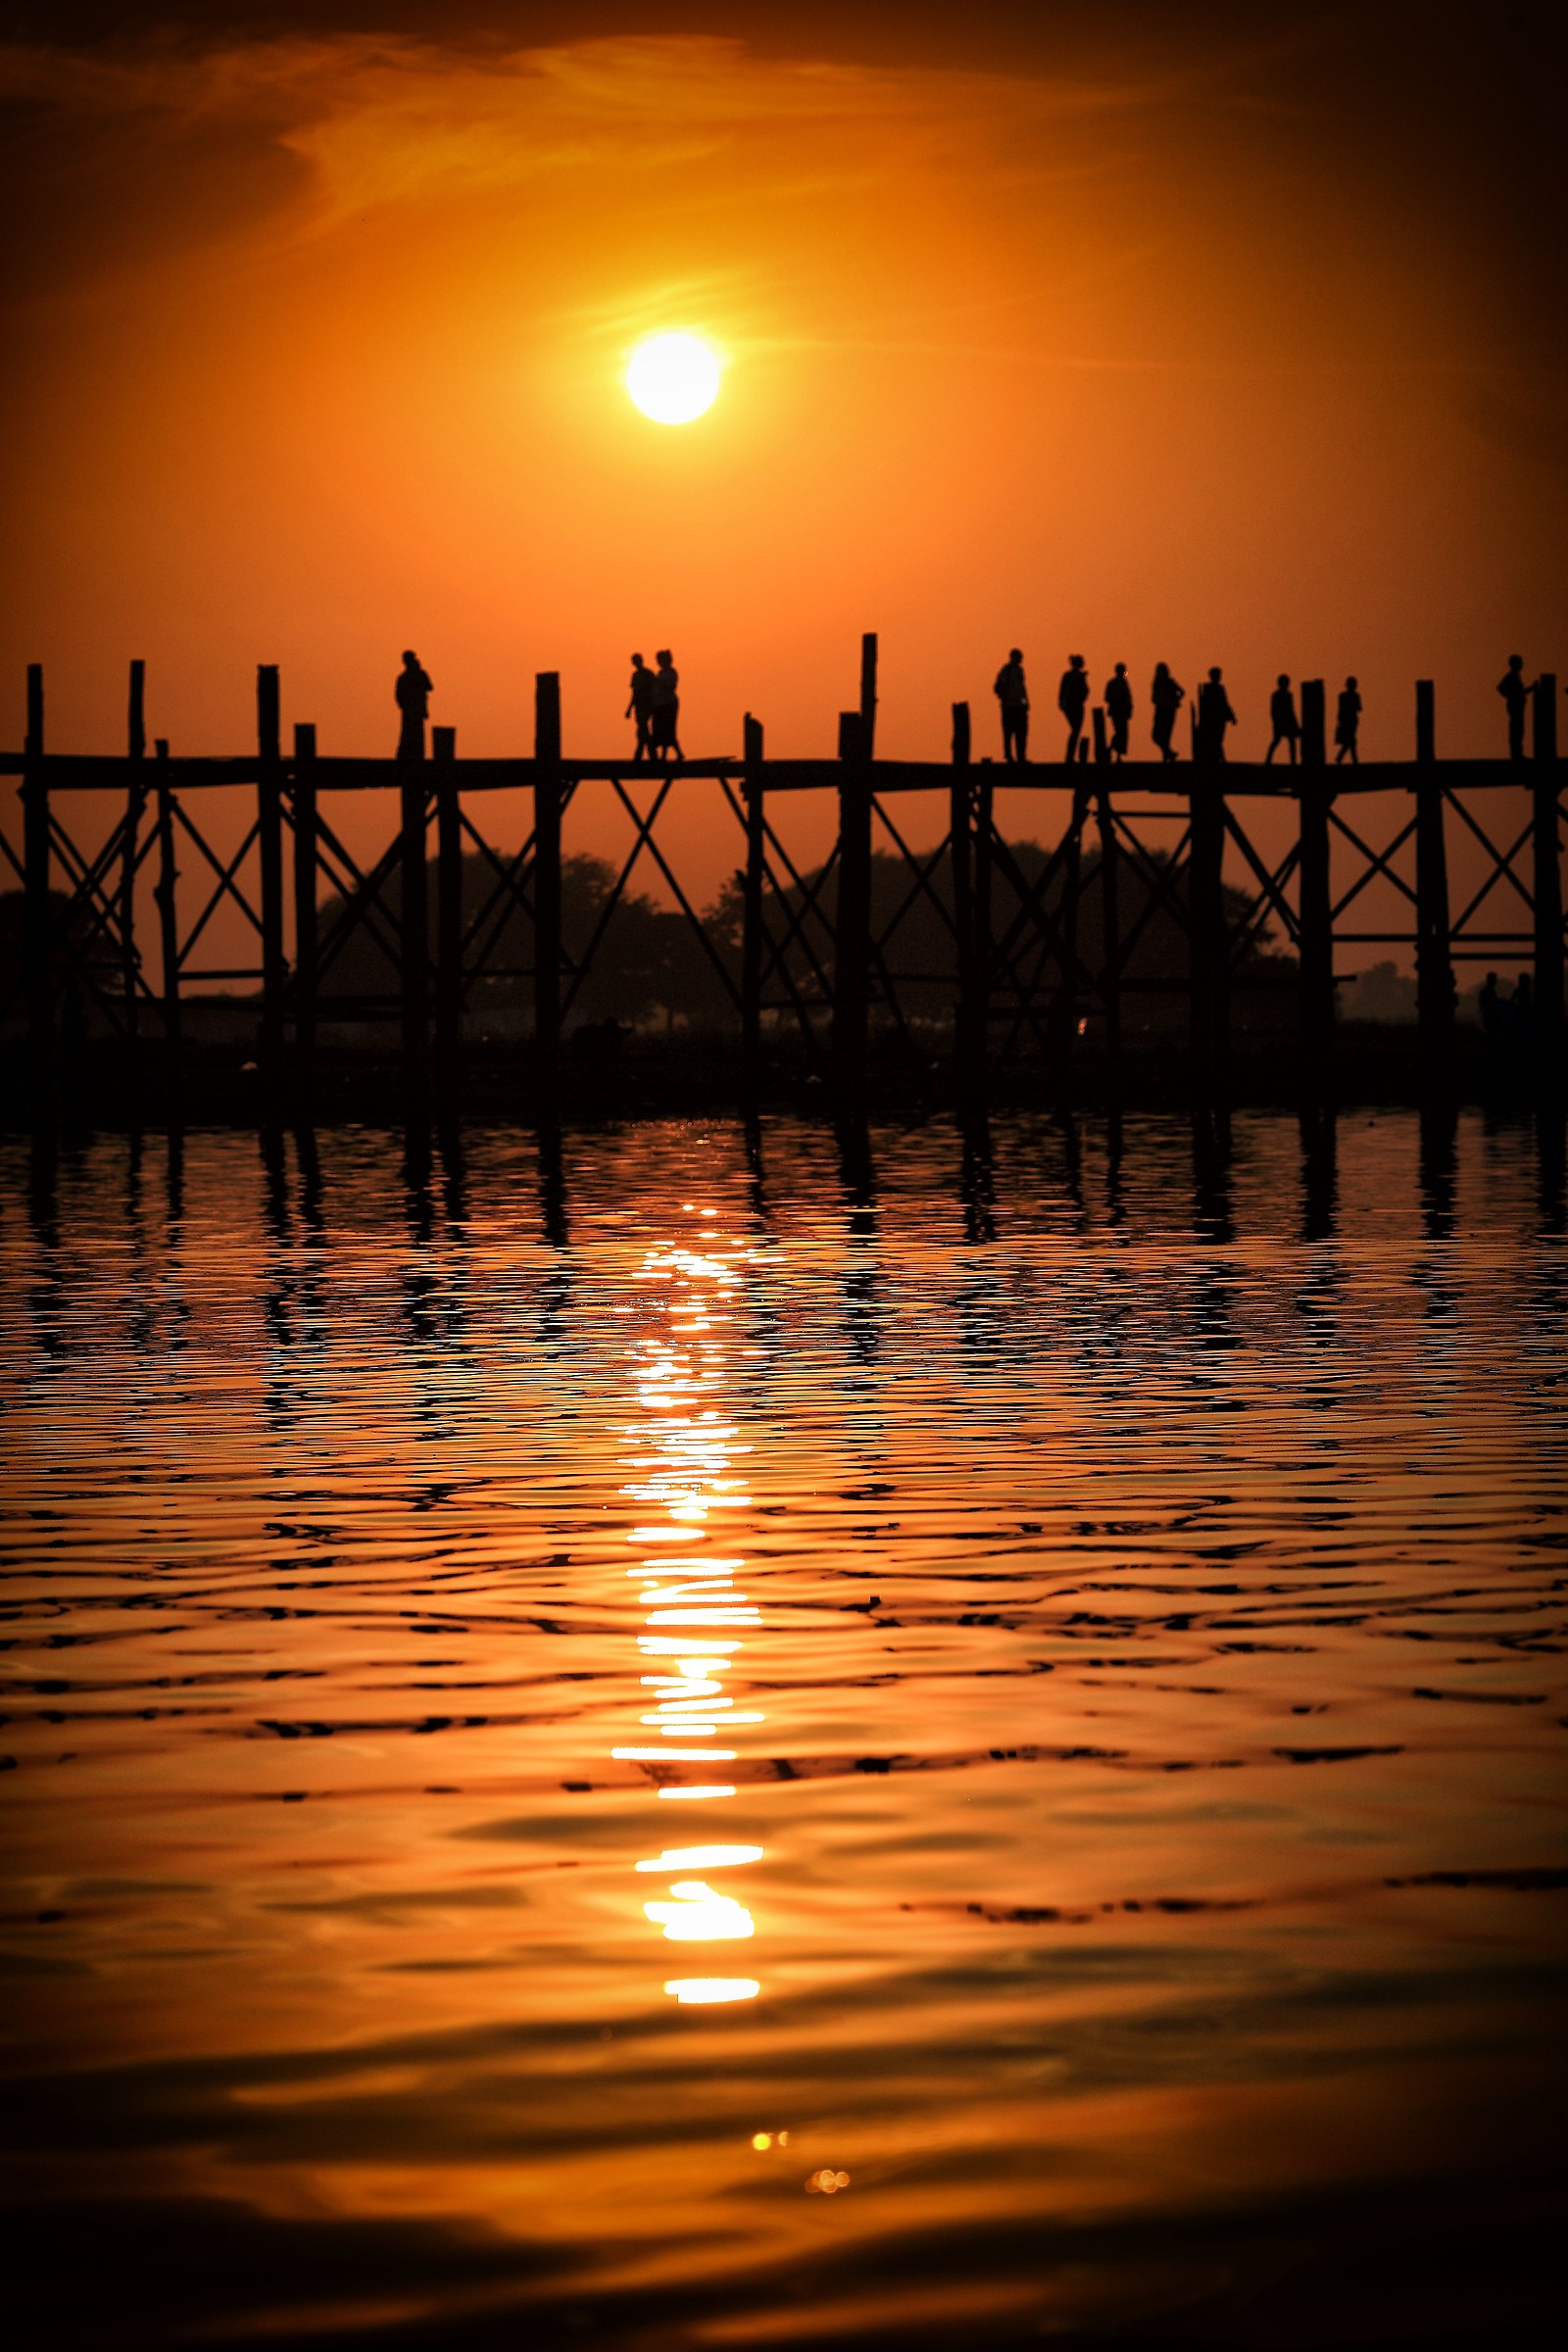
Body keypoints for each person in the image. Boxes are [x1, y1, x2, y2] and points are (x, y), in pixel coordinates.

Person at [994, 648, 1029, 763]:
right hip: (1009, 706)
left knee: (1021, 732)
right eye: (1019, 657)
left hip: (1019, 706)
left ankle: (1021, 757)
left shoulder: (1020, 670)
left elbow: (1022, 686)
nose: (1021, 660)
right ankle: (1009, 756)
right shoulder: (1006, 670)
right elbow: (998, 686)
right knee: (1008, 732)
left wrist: (1026, 701)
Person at [395, 650, 432, 760]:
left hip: (415, 710)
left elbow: (429, 687)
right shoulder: (405, 678)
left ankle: (416, 756)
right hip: (411, 710)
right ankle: (408, 756)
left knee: (417, 735)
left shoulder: (409, 676)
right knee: (409, 734)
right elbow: (399, 696)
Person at [1195, 664, 1236, 761]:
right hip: (1214, 719)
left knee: (1216, 740)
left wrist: (1231, 716)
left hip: (1215, 719)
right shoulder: (1214, 689)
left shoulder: (1210, 688)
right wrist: (1231, 716)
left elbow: (1224, 703)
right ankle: (1220, 758)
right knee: (1215, 740)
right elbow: (1223, 703)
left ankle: (1218, 757)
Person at [650, 649, 683, 764]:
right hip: (659, 705)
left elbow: (670, 687)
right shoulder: (661, 673)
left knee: (668, 730)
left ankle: (673, 754)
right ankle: (663, 757)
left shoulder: (671, 672)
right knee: (659, 730)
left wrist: (657, 682)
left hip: (669, 704)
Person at [1497, 655, 1532, 760]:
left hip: (1517, 705)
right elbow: (1500, 687)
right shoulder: (1511, 676)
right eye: (1520, 662)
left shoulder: (1516, 676)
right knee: (1516, 729)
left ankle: (1518, 753)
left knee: (1518, 730)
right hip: (1515, 706)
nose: (1522, 665)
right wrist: (1509, 696)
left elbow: (1519, 692)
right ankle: (1516, 755)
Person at [1057, 654, 1090, 763]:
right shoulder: (1074, 676)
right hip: (1074, 706)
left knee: (1075, 731)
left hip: (1070, 706)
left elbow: (1062, 692)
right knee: (1076, 731)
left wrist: (1061, 704)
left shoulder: (1068, 675)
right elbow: (1085, 691)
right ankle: (1070, 757)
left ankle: (1070, 756)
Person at [1150, 663, 1185, 762]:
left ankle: (1166, 756)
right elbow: (1153, 698)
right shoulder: (1156, 684)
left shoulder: (1170, 682)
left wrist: (1174, 701)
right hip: (1160, 711)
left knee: (1166, 735)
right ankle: (1168, 753)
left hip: (1169, 711)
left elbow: (1182, 692)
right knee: (1156, 735)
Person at [1265, 673, 1299, 765]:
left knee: (1290, 741)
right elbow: (1274, 710)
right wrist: (1276, 721)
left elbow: (1291, 710)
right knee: (1277, 741)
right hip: (1281, 722)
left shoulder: (1286, 695)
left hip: (1287, 722)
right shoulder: (1277, 695)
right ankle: (1268, 760)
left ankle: (1292, 761)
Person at [626, 654, 656, 763]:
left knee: (642, 730)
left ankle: (640, 754)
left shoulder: (649, 674)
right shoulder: (635, 675)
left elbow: (654, 690)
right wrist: (629, 708)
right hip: (639, 707)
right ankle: (651, 755)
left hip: (647, 706)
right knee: (643, 731)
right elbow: (634, 694)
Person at [1104, 662, 1133, 760]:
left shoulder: (1115, 683)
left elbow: (1128, 698)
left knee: (1121, 733)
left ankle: (1116, 752)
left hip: (1121, 711)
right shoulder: (1117, 683)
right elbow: (1108, 698)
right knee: (1121, 732)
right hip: (1118, 711)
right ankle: (1114, 750)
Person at [1335, 675, 1362, 766]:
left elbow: (1340, 709)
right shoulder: (1355, 695)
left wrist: (1339, 719)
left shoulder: (1342, 696)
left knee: (1349, 740)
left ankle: (1341, 758)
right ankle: (1352, 759)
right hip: (1351, 719)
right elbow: (1359, 708)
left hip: (1346, 719)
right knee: (1351, 740)